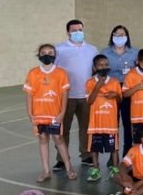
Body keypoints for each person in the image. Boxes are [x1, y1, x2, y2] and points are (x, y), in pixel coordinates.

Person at [25, 44, 76, 182]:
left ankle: (69, 168)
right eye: (43, 52)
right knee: (42, 139)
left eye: (50, 52)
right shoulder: (33, 73)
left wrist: (62, 113)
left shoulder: (61, 73)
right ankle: (46, 171)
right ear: (39, 55)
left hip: (54, 114)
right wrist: (30, 114)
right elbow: (29, 95)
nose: (47, 55)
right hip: (39, 114)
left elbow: (64, 95)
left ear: (55, 55)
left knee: (58, 139)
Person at [54, 19, 98, 170]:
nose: (77, 33)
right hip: (66, 96)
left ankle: (86, 155)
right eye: (74, 30)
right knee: (63, 129)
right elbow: (54, 71)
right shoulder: (59, 49)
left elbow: (95, 70)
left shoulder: (92, 49)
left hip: (86, 96)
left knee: (85, 128)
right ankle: (61, 158)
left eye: (80, 30)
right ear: (68, 32)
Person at [100, 25, 138, 155]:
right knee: (112, 123)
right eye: (116, 34)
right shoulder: (105, 53)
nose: (119, 37)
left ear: (127, 36)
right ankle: (113, 153)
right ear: (112, 36)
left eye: (122, 34)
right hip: (111, 90)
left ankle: (128, 152)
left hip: (128, 90)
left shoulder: (134, 53)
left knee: (128, 123)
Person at [85, 54, 123, 182]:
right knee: (94, 147)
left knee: (113, 147)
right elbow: (89, 101)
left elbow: (120, 100)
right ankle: (96, 169)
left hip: (110, 121)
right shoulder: (90, 82)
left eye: (106, 64)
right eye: (100, 65)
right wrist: (97, 87)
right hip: (95, 122)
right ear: (95, 68)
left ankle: (115, 168)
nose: (104, 67)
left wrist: (115, 95)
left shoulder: (114, 82)